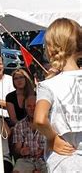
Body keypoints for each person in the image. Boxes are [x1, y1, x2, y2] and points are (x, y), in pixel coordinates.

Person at [34, 18, 82, 172]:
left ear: (50, 48)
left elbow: (40, 119)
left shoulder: (48, 85)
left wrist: (52, 138)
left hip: (64, 159)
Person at [12, 95, 47, 173]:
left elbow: (54, 144)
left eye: (35, 105)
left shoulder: (48, 123)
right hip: (26, 160)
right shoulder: (19, 125)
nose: (32, 109)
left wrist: (44, 151)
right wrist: (21, 151)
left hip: (45, 159)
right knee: (17, 170)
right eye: (29, 106)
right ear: (25, 108)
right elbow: (17, 148)